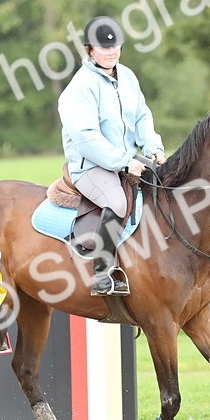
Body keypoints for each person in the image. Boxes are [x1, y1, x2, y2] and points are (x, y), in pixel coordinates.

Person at [58, 15, 166, 296]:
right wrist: (124, 162)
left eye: (115, 46)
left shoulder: (127, 76)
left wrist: (154, 147)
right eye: (103, 48)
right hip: (92, 166)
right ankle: (102, 273)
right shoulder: (80, 87)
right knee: (117, 202)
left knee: (166, 182)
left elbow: (142, 115)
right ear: (90, 50)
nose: (110, 53)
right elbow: (86, 138)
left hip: (127, 159)